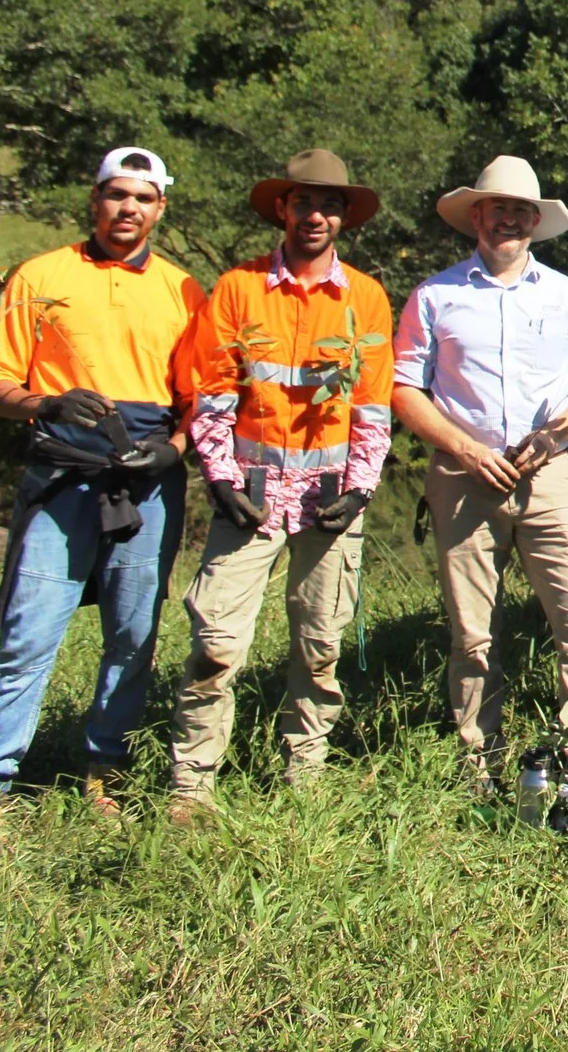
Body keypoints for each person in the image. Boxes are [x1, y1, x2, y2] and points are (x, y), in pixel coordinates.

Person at [0, 148, 206, 859]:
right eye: (116, 195)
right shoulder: (41, 276)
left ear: (160, 209)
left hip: (147, 476)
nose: (129, 208)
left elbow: (201, 400)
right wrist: (47, 400)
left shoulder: (186, 291)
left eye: (143, 198)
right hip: (63, 473)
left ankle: (108, 770)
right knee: (31, 630)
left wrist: (175, 448)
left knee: (132, 633)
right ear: (93, 200)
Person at [167, 150, 397, 820]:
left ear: (345, 216)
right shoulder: (238, 288)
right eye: (303, 202)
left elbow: (373, 407)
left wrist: (359, 488)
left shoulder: (366, 297)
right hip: (251, 496)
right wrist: (219, 475)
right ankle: (192, 784)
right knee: (215, 643)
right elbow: (211, 393)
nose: (315, 216)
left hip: (329, 499)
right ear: (282, 208)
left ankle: (306, 771)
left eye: (329, 205)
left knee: (321, 644)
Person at [392, 156, 568, 793]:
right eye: (499, 209)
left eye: (523, 211)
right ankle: (476, 770)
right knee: (472, 633)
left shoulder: (566, 294)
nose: (511, 220)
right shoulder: (435, 296)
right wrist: (464, 450)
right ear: (477, 216)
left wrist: (560, 433)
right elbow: (404, 390)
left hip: (549, 476)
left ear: (536, 222)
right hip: (463, 478)